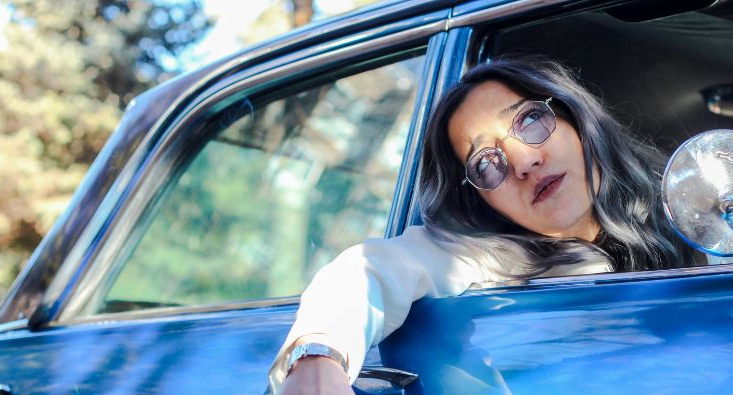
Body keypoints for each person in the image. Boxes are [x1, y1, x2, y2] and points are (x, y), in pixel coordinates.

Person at [268, 58, 696, 394]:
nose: (525, 161)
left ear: (575, 119)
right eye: (486, 163)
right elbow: (373, 268)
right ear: (482, 200)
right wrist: (316, 353)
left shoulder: (693, 207)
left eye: (529, 120)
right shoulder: (486, 259)